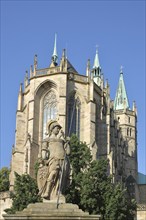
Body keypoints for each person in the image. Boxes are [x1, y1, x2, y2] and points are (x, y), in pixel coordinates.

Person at [37, 120, 70, 201]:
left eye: (59, 128)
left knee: (61, 178)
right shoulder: (47, 139)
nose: (58, 130)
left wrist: (67, 143)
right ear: (52, 129)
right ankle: (47, 192)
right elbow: (44, 150)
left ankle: (59, 192)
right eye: (57, 128)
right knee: (53, 173)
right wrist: (44, 160)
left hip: (63, 160)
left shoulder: (62, 141)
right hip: (53, 159)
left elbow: (68, 152)